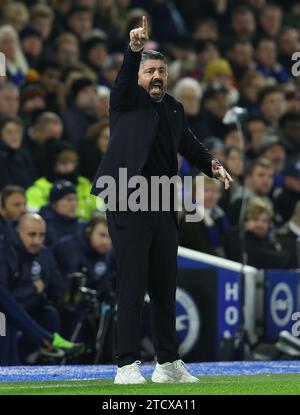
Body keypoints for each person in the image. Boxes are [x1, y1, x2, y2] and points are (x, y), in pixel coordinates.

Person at [91, 16, 232, 384]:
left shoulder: (173, 107)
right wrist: (133, 49)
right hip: (128, 197)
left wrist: (213, 165)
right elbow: (122, 78)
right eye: (150, 70)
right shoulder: (124, 99)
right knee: (133, 284)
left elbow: (187, 143)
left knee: (165, 285)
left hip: (163, 201)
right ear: (139, 75)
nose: (156, 76)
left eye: (161, 71)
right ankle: (126, 364)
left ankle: (168, 363)